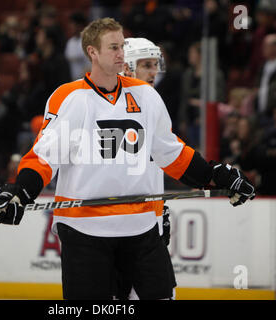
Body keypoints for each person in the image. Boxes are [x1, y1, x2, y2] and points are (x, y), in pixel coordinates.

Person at [0, 18, 255, 300]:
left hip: (140, 226)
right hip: (84, 229)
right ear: (92, 52)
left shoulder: (146, 95)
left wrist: (217, 176)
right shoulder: (69, 97)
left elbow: (172, 153)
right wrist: (21, 191)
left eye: (122, 46)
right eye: (113, 47)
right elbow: (44, 157)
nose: (121, 53)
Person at [120, 37, 174, 300]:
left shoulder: (154, 104)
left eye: (155, 65)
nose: (154, 72)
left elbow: (163, 162)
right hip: (114, 235)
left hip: (148, 231)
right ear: (127, 67)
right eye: (146, 65)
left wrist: (157, 210)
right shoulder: (106, 110)